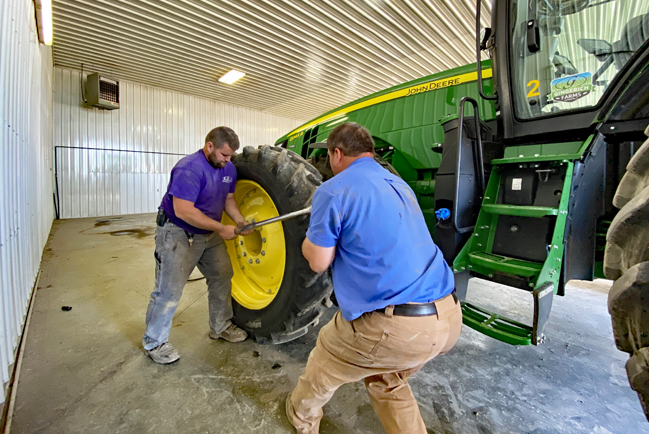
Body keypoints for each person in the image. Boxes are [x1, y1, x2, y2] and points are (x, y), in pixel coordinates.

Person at [286, 122, 462, 434]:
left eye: (328, 156)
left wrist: (309, 238)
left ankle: (301, 419)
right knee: (387, 376)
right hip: (447, 317)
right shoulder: (400, 184)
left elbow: (318, 261)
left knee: (326, 355)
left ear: (336, 154)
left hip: (397, 327)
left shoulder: (332, 189)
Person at [143, 126, 252, 364]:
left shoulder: (229, 169)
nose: (228, 160)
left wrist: (240, 221)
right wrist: (221, 228)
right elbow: (184, 211)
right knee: (169, 290)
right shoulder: (189, 168)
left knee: (223, 276)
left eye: (231, 155)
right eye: (224, 155)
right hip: (178, 232)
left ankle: (220, 326)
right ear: (209, 146)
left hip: (208, 233)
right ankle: (155, 341)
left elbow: (229, 199)